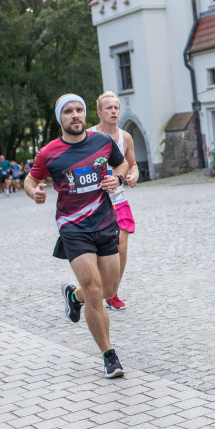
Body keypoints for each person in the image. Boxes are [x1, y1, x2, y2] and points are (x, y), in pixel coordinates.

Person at [25, 93, 130, 378]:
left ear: (85, 114)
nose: (75, 115)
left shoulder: (103, 142)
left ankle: (73, 296)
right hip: (73, 227)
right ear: (60, 118)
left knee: (108, 290)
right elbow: (32, 178)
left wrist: (117, 178)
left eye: (79, 110)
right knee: (95, 290)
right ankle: (109, 355)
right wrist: (32, 191)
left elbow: (122, 165)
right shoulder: (49, 152)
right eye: (68, 111)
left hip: (104, 221)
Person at [91, 91, 139, 311]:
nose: (113, 111)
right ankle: (93, 288)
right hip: (94, 201)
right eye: (108, 108)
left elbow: (133, 164)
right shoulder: (89, 135)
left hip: (118, 199)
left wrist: (133, 175)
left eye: (116, 108)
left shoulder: (125, 137)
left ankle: (113, 293)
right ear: (100, 112)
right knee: (100, 252)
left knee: (121, 245)